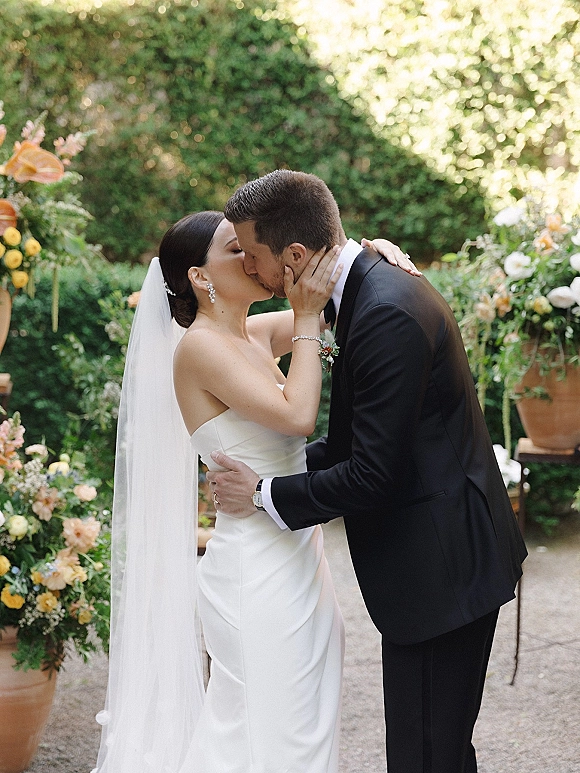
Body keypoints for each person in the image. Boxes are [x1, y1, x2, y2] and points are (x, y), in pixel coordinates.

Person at [207, 170, 529, 773]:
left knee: (426, 755)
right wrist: (276, 468)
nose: (250, 268)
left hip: (444, 569)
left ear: (296, 255)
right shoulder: (363, 290)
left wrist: (264, 494)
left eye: (253, 255)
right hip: (437, 559)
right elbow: (360, 440)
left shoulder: (385, 312)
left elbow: (372, 474)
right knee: (433, 751)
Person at [92, 209, 416, 773]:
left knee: (300, 726)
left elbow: (344, 301)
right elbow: (297, 415)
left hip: (299, 560)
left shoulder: (252, 334)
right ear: (200, 276)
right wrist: (310, 320)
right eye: (233, 248)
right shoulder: (200, 348)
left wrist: (368, 257)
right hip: (254, 573)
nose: (251, 254)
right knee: (262, 735)